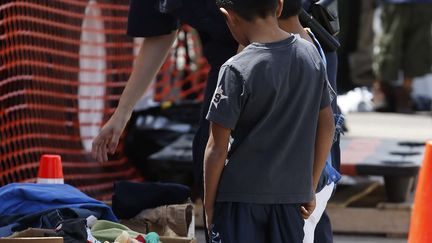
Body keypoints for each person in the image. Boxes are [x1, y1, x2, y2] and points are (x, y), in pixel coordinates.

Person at [203, 0, 335, 242]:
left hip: (239, 199)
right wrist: (310, 185)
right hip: (291, 199)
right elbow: (327, 125)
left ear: (229, 16)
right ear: (279, 7)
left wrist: (209, 207)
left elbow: (216, 149)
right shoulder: (310, 56)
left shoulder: (235, 69)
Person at [278, 1, 341, 242]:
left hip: (300, 184)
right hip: (307, 182)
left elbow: (325, 125)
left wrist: (310, 186)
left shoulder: (300, 53)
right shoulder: (310, 44)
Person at [373, 0, 432, 113]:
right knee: (389, 47)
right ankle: (381, 90)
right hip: (394, 3)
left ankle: (405, 93)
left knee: (417, 51)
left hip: (424, 4)